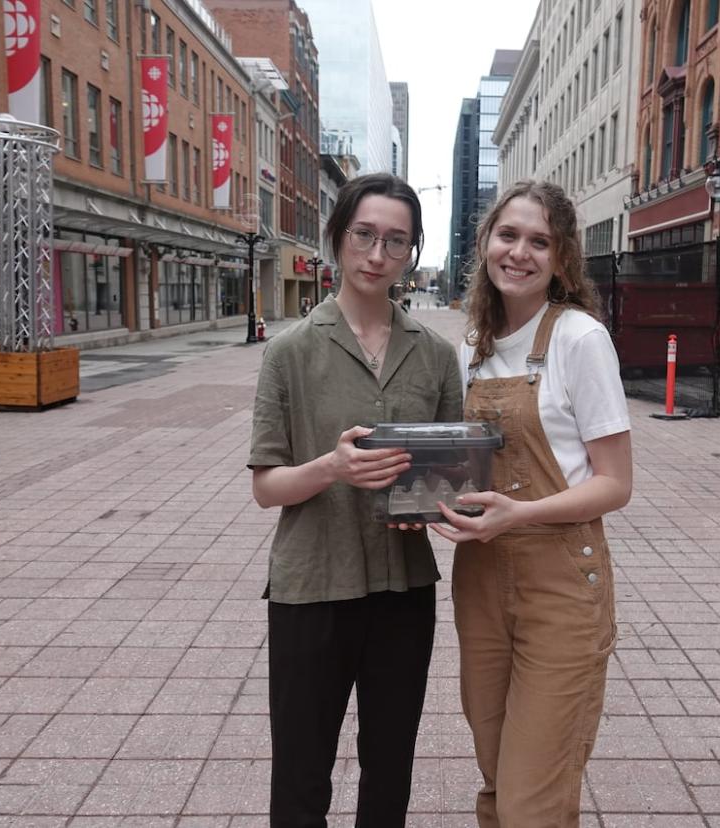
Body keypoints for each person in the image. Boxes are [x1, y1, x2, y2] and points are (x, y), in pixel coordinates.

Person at [247, 172, 462, 827]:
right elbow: (266, 487)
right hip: (311, 588)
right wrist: (333, 467)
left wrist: (451, 503)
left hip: (403, 592)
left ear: (412, 254)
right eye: (365, 235)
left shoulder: (436, 357)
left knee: (390, 764)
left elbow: (451, 475)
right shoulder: (289, 352)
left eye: (397, 242)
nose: (377, 255)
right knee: (302, 771)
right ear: (338, 237)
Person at [432, 180, 633, 827]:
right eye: (508, 235)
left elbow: (615, 483)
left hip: (561, 587)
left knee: (532, 801)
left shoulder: (580, 339)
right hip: (482, 583)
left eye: (539, 241)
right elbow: (463, 469)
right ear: (487, 242)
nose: (519, 252)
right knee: (498, 779)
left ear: (562, 259)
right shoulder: (471, 348)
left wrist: (518, 514)